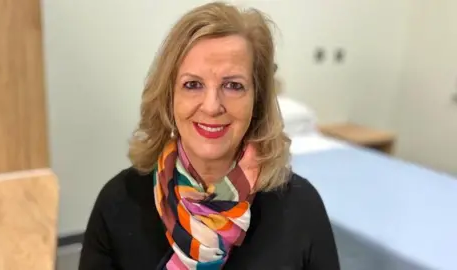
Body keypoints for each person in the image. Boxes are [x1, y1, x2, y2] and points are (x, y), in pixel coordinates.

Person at [79, 2, 340, 270]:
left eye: (233, 85)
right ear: (169, 97)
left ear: (257, 101)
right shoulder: (118, 203)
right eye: (193, 85)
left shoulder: (301, 208)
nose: (212, 106)